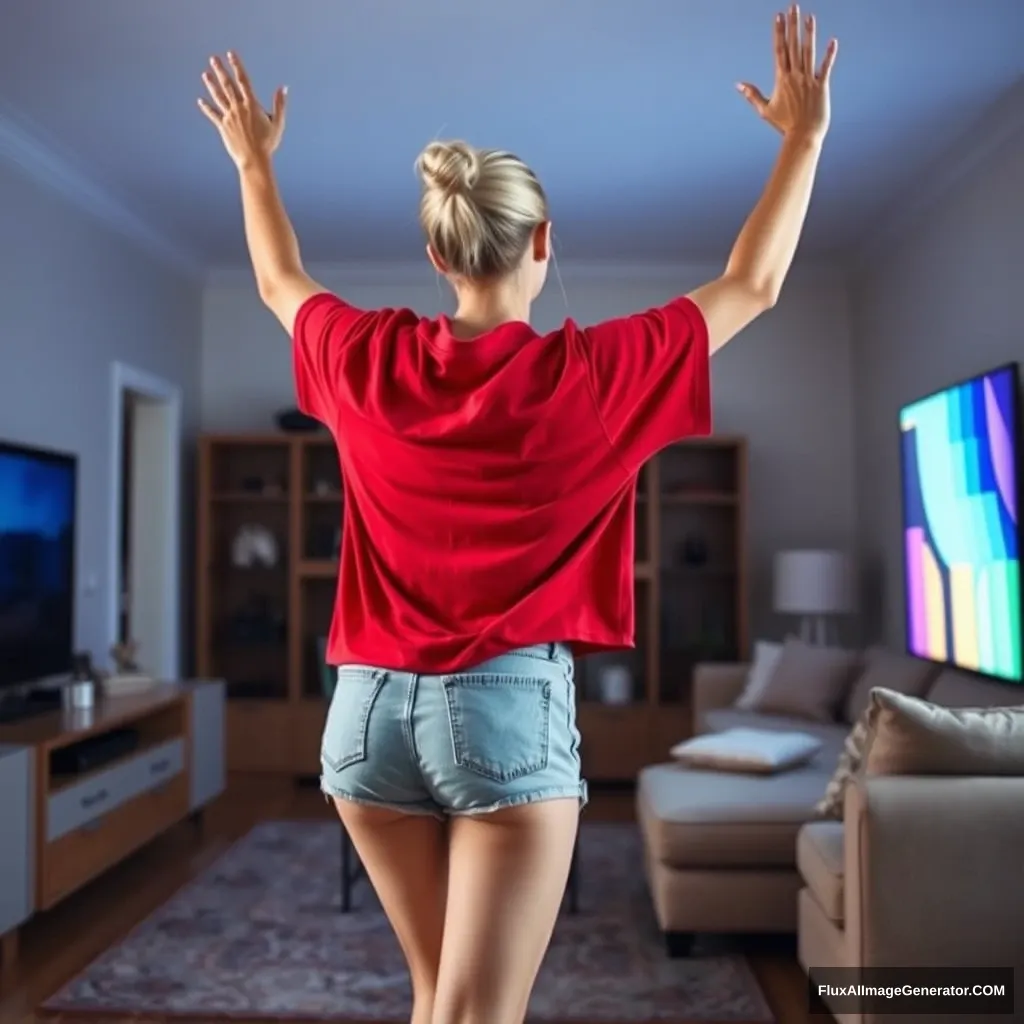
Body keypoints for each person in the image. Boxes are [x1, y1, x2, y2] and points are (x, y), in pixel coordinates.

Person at [197, 6, 836, 1022]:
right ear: (542, 241)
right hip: (500, 711)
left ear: (438, 256)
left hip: (362, 716)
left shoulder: (366, 356)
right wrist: (802, 139)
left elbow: (278, 278)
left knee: (433, 995)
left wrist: (252, 161)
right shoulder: (596, 375)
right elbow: (751, 285)